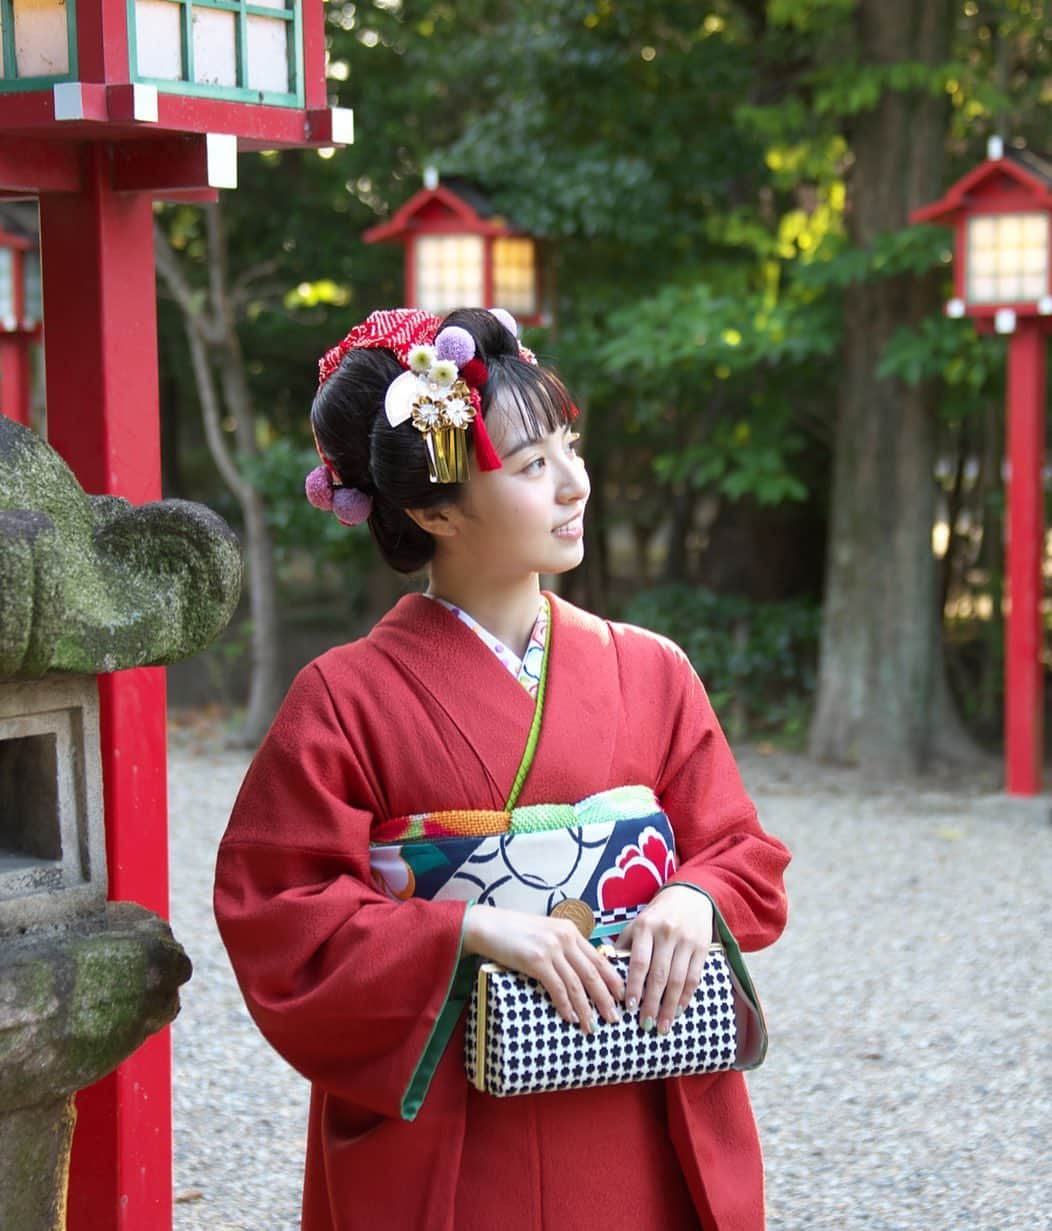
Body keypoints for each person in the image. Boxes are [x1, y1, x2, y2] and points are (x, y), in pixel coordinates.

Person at [214, 307, 791, 1231]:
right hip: (455, 1118)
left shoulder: (652, 670)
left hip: (639, 1095)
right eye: (530, 466)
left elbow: (741, 852)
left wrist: (693, 898)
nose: (574, 484)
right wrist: (468, 932)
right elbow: (278, 916)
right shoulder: (343, 698)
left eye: (570, 447)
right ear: (436, 510)